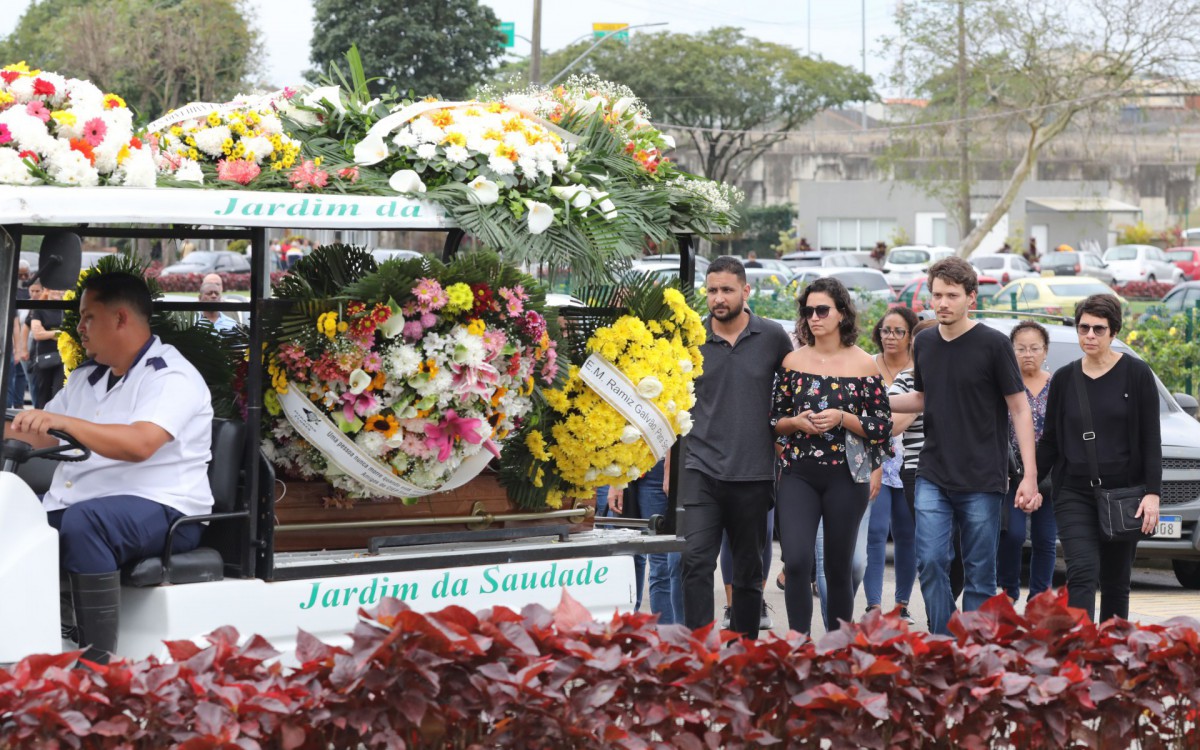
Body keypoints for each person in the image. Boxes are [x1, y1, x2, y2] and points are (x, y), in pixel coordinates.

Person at [5, 271, 215, 663]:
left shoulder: (171, 376)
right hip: (88, 504)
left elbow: (140, 444)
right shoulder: (88, 378)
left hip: (165, 508)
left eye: (88, 317)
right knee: (13, 515)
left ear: (121, 318)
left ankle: (96, 664)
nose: (79, 328)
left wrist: (65, 423)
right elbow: (42, 435)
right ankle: (26, 645)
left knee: (88, 523)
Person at [889, 257, 1042, 636]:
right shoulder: (923, 342)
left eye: (951, 295)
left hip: (982, 478)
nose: (942, 303)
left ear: (971, 298)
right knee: (930, 560)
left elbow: (1019, 408)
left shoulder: (993, 344)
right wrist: (872, 399)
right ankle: (943, 640)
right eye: (936, 295)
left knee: (978, 573)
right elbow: (923, 398)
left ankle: (973, 652)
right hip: (933, 473)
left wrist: (1030, 476)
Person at [770, 277, 892, 634]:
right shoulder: (793, 362)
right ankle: (799, 641)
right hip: (798, 474)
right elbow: (774, 420)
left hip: (845, 477)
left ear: (841, 314)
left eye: (822, 310)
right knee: (796, 561)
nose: (814, 317)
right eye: (808, 311)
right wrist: (795, 422)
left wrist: (842, 418)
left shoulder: (864, 365)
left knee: (838, 568)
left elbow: (881, 426)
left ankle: (839, 646)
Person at [681, 256, 793, 639]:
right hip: (700, 468)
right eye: (712, 290)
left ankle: (743, 650)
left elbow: (794, 394)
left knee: (749, 569)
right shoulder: (690, 337)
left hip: (754, 473)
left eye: (727, 290)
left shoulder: (774, 337)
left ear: (746, 291)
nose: (718, 298)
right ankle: (696, 649)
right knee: (695, 562)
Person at [1036, 295, 1160, 622]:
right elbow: (1050, 439)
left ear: (1114, 332)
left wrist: (1152, 492)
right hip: (1074, 491)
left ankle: (1114, 656)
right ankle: (1079, 654)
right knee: (1082, 572)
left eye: (1098, 329)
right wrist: (1027, 479)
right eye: (1083, 327)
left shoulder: (1137, 374)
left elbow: (1151, 439)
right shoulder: (1064, 378)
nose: (1089, 335)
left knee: (1117, 582)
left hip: (1124, 494)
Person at [863, 307, 920, 623]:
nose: (891, 337)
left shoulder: (919, 370)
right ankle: (872, 605)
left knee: (907, 533)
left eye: (899, 331)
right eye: (886, 330)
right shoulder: (868, 366)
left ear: (911, 335)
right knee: (874, 531)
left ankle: (902, 604)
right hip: (876, 461)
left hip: (911, 461)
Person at [997, 321, 1057, 604]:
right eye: (1020, 348)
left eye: (1034, 348)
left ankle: (1039, 598)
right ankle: (1008, 591)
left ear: (1045, 351)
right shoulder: (1003, 384)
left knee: (1046, 540)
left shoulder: (1057, 384)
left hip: (1050, 473)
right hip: (1010, 471)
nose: (1028, 354)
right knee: (1013, 534)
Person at [613, 459, 683, 625]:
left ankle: (667, 636)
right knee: (629, 555)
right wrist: (615, 479)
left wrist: (669, 469)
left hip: (658, 467)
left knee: (661, 561)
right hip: (628, 464)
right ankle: (632, 631)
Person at [28, 284, 65, 408]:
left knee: (58, 393)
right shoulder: (39, 309)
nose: (56, 291)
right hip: (44, 357)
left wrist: (47, 332)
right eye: (53, 288)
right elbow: (37, 334)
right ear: (47, 291)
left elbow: (70, 332)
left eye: (59, 289)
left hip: (63, 357)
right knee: (42, 393)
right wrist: (57, 333)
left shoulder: (65, 310)